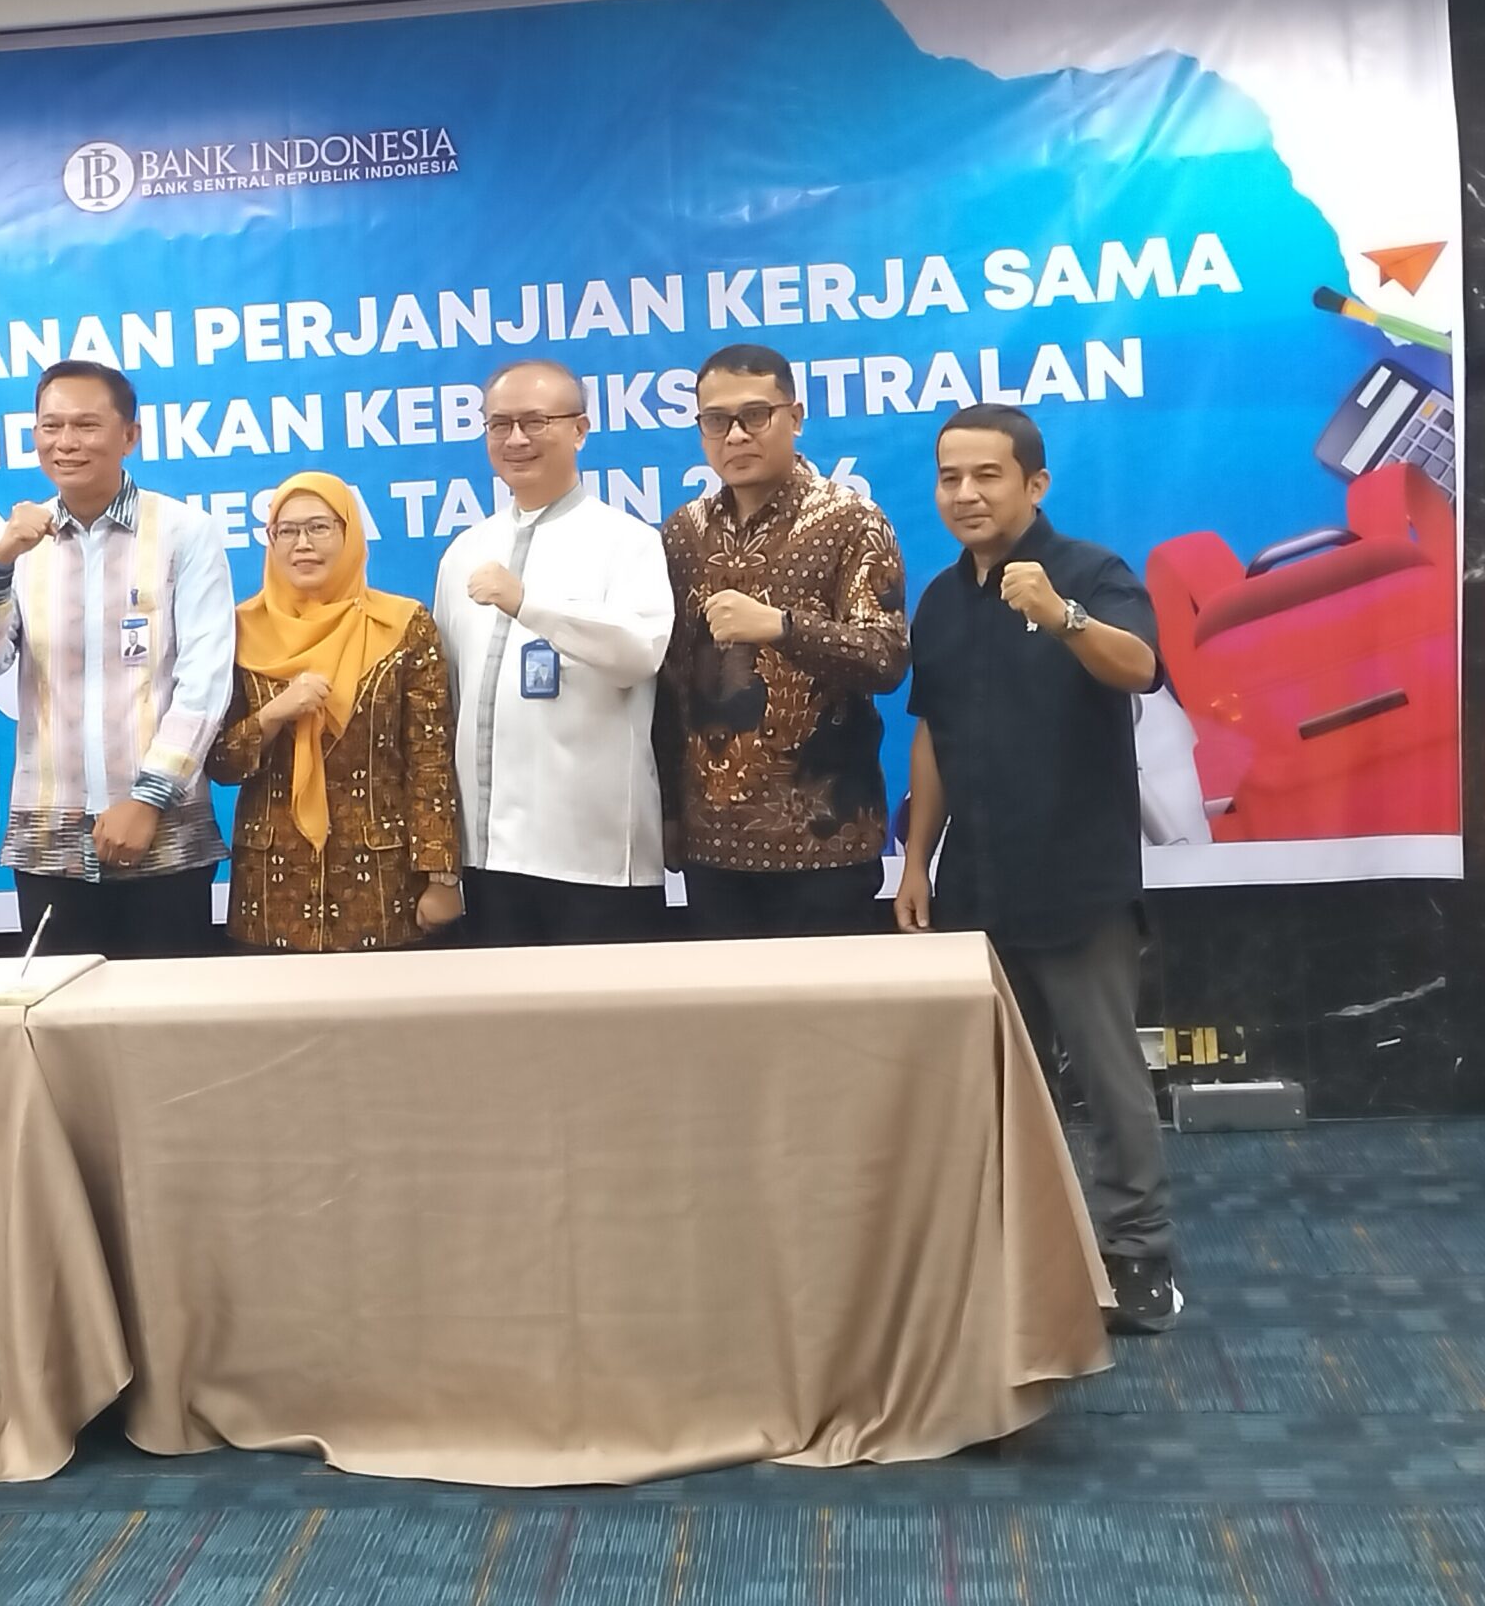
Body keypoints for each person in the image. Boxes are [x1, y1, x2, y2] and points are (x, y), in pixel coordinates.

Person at [896, 402, 1181, 1334]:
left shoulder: (1089, 572)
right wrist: (916, 860)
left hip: (1077, 877)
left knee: (1108, 1074)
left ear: (1035, 483)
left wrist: (1062, 617)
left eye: (988, 475)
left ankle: (1140, 1252)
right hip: (977, 880)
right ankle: (1030, 1248)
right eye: (950, 477)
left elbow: (1139, 667)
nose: (966, 494)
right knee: (1001, 1080)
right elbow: (932, 734)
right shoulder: (940, 600)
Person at [0, 360, 236, 959]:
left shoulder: (184, 532)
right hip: (50, 840)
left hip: (163, 832)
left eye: (86, 425)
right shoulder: (20, 542)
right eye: (51, 426)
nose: (66, 442)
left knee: (171, 1008)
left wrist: (148, 799)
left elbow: (204, 681)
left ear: (129, 436)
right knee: (61, 1009)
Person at [655, 343, 909, 938]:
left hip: (824, 840)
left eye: (755, 416)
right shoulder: (683, 533)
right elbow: (667, 685)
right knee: (722, 1001)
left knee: (826, 1002)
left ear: (794, 418)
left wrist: (783, 627)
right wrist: (667, 812)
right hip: (711, 847)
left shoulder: (850, 520)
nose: (736, 435)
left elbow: (887, 657)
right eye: (716, 420)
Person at [433, 359, 675, 945]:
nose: (516, 439)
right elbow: (447, 698)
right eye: (499, 424)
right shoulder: (465, 551)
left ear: (580, 430)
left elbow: (639, 654)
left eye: (535, 422)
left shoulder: (628, 542)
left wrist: (529, 604)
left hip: (594, 858)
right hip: (488, 857)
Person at [208, 471, 463, 952]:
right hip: (271, 890)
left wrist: (442, 877)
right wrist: (273, 715)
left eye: (319, 528)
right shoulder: (239, 629)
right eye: (286, 530)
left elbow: (430, 762)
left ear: (350, 534)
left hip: (383, 886)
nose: (302, 544)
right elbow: (220, 763)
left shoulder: (403, 626)